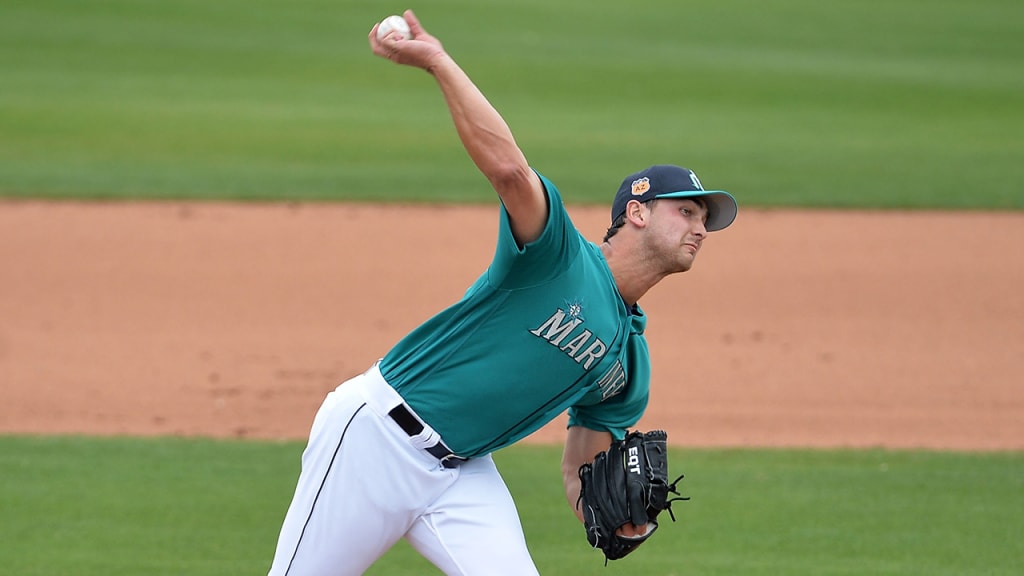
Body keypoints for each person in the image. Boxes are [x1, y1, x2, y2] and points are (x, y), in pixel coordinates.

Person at [266, 9, 737, 576]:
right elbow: (512, 173)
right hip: (377, 438)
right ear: (635, 212)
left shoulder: (628, 363)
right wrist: (439, 62)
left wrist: (617, 522)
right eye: (686, 211)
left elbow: (580, 469)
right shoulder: (558, 253)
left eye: (705, 220)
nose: (699, 228)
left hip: (461, 473)